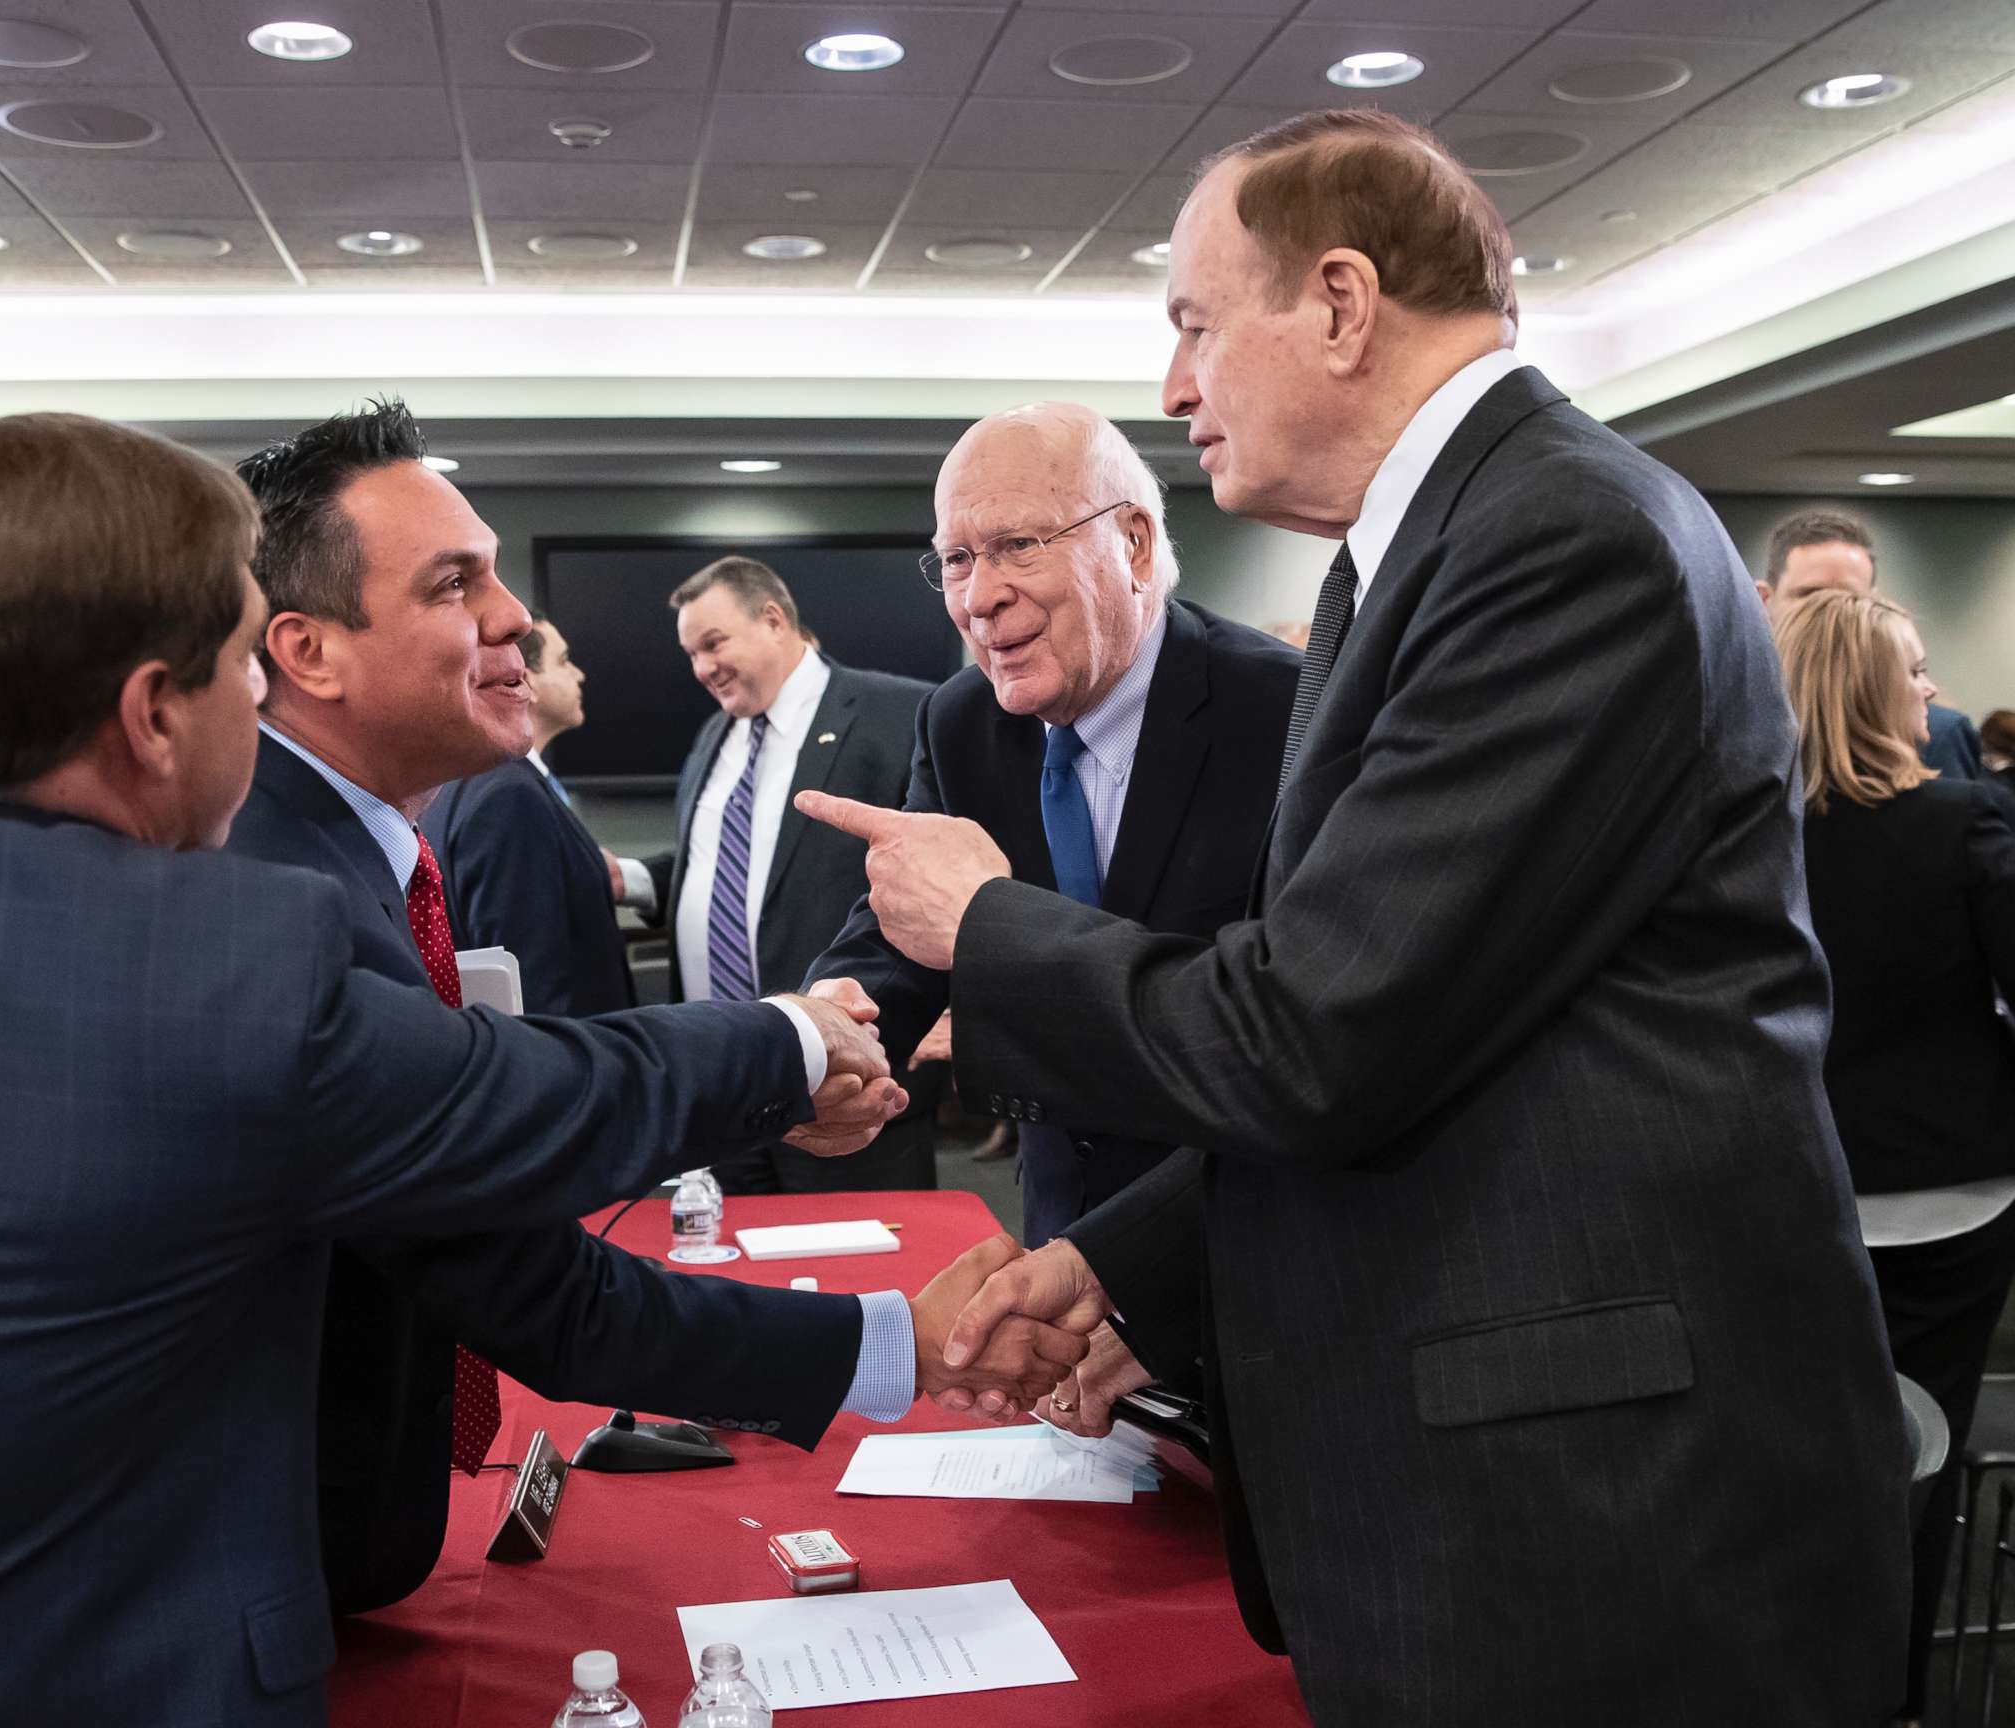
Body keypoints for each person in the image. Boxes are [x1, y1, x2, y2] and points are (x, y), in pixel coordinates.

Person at [0, 411, 918, 1727]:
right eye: (232, 676)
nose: (253, 718)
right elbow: (544, 1104)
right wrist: (801, 1032)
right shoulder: (230, 961)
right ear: (156, 714)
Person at [802, 110, 1907, 1725]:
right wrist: (1117, 1262)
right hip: (1506, 1480)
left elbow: (1315, 1031)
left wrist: (984, 921)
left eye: (1190, 324)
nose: (1174, 386)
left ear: (1336, 302)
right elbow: (1440, 1037)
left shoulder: (1554, 542)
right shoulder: (1421, 562)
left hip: (1599, 1512)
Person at [230, 404, 1074, 1616]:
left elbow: (482, 1247)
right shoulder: (279, 891)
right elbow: (496, 1187)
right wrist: (788, 1045)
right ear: (308, 651)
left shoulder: (339, 854)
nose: (515, 616)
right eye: (457, 583)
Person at [807, 401, 1299, 1413]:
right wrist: (832, 1029)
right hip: (1053, 1250)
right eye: (953, 559)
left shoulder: (1286, 715)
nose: (979, 598)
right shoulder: (962, 720)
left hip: (1248, 1253)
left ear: (1134, 541)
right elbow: (911, 920)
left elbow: (1292, 1028)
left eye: (1016, 547)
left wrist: (1132, 1272)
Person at [1776, 586, 2015, 1724]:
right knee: (1923, 1465)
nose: (1931, 690)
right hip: (1953, 1201)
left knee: (1800, 1465)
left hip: (1795, 1193)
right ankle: (1896, 1698)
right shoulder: (1967, 823)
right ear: (1875, 692)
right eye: (1914, 670)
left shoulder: (1742, 837)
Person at [614, 555, 937, 1193]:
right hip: (725, 1084)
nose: (702, 668)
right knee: (731, 1278)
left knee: (860, 1280)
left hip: (848, 1087)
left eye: (713, 643)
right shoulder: (714, 735)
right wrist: (631, 879)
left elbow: (935, 879)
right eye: (691, 654)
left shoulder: (899, 714)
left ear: (773, 619)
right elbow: (723, 864)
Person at [421, 615, 634, 1017]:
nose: (579, 674)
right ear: (525, 679)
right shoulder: (509, 795)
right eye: (564, 660)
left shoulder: (465, 779)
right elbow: (531, 986)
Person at [1754, 508, 1987, 781]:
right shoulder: (1732, 722)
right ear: (1765, 600)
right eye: (1812, 596)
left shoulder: (1937, 732)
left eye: (1849, 597)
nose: (1832, 614)